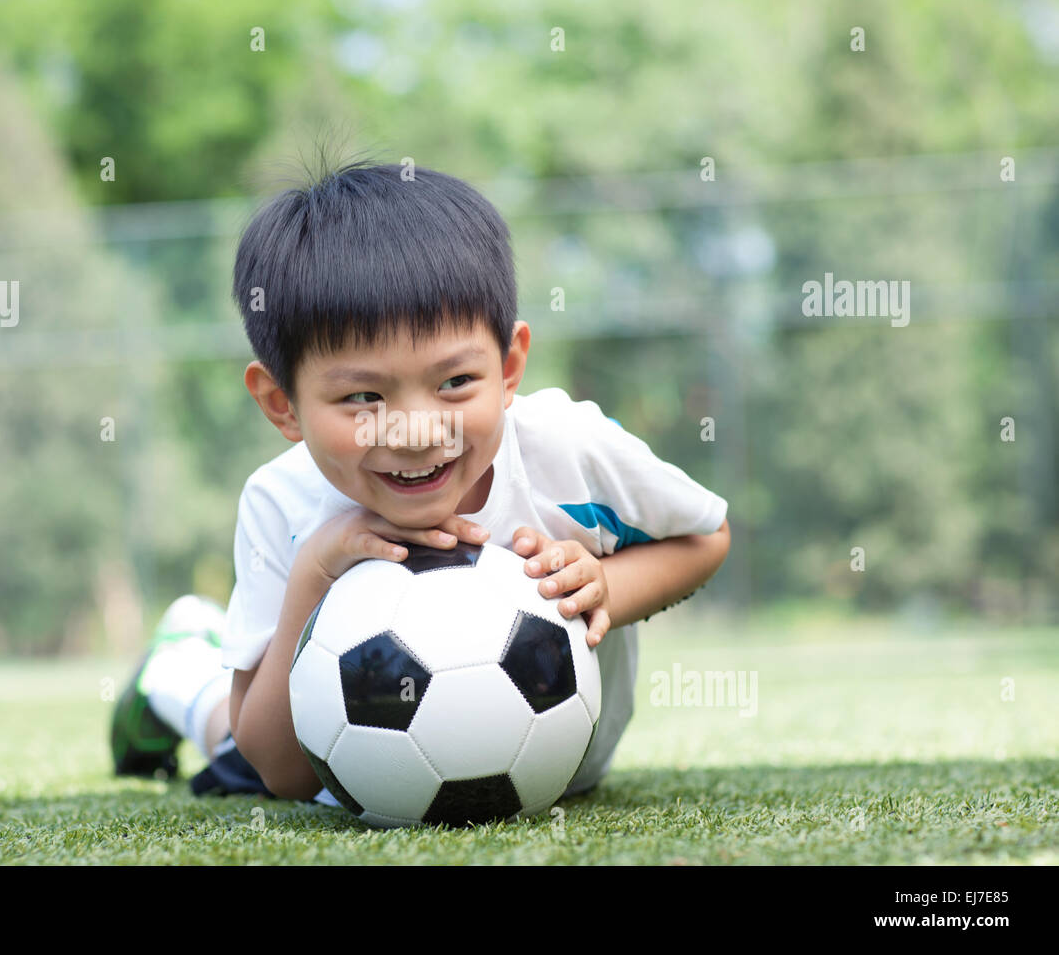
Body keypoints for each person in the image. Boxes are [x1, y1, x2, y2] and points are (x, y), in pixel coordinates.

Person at [110, 157, 731, 808]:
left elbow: (706, 535)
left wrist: (607, 588)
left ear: (511, 364)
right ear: (282, 403)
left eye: (455, 382)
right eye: (363, 395)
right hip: (345, 783)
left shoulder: (567, 451)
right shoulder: (282, 504)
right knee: (227, 743)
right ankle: (176, 670)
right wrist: (313, 576)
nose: (415, 431)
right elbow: (282, 774)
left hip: (567, 776)